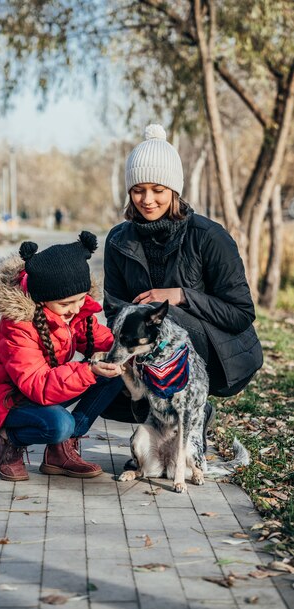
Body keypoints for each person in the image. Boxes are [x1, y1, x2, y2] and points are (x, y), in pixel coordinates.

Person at [102, 123, 263, 439]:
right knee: (98, 389)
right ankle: (167, 416)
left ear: (174, 190)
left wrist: (182, 295)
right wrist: (129, 357)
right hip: (150, 355)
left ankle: (196, 407)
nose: (147, 200)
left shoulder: (209, 237)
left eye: (158, 190)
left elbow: (242, 313)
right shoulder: (118, 240)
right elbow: (114, 310)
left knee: (163, 315)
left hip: (218, 356)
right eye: (138, 190)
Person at [0, 231, 124, 482]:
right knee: (60, 424)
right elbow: (37, 385)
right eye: (66, 304)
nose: (75, 309)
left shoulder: (74, 311)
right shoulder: (17, 327)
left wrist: (130, 351)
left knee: (114, 375)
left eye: (81, 299)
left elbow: (100, 338)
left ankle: (60, 451)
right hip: (6, 398)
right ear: (42, 300)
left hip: (42, 388)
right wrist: (88, 370)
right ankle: (8, 441)